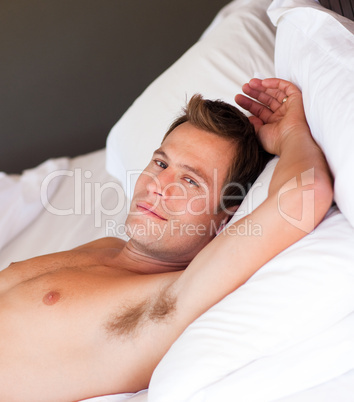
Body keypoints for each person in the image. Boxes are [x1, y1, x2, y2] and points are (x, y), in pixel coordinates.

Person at [0, 78, 333, 402]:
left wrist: (291, 134)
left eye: (189, 180)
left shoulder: (172, 298)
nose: (158, 184)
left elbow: (302, 197)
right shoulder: (107, 248)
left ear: (224, 217)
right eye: (161, 163)